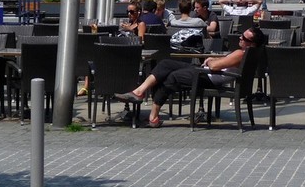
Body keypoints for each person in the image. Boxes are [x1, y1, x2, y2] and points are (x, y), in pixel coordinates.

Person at [114, 27, 267, 127]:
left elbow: (215, 67)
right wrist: (214, 61)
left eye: (245, 38)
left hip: (208, 77)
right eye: (242, 35)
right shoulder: (248, 52)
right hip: (207, 72)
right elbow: (220, 64)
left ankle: (153, 116)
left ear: (252, 44)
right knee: (166, 64)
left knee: (171, 77)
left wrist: (213, 61)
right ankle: (139, 92)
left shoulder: (241, 53)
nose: (240, 38)